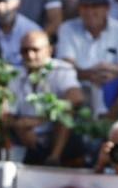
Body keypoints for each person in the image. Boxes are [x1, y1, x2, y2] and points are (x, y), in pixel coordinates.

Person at [6, 29, 83, 165]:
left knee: (67, 114)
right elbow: (5, 112)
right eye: (25, 50)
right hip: (24, 135)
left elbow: (76, 98)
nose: (30, 55)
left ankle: (54, 158)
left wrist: (39, 120)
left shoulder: (62, 69)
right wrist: (20, 126)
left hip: (54, 131)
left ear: (49, 50)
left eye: (35, 50)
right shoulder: (15, 74)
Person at [55, 0, 118, 89]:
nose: (90, 12)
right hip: (78, 89)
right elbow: (65, 67)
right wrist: (90, 75)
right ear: (79, 8)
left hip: (115, 89)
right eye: (85, 6)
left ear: (107, 8)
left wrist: (111, 73)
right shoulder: (67, 28)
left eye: (95, 6)